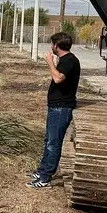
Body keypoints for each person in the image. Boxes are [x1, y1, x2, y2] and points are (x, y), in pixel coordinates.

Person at [27, 31, 81, 188]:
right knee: (48, 140)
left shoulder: (69, 61)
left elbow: (58, 78)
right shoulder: (65, 60)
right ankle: (42, 170)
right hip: (56, 107)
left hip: (61, 108)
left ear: (57, 46)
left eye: (52, 44)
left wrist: (50, 62)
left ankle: (45, 178)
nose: (51, 47)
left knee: (53, 143)